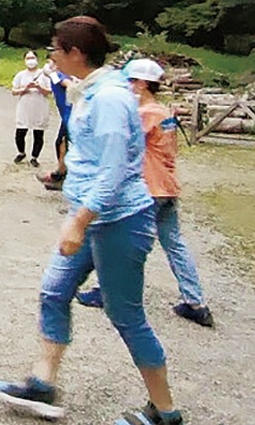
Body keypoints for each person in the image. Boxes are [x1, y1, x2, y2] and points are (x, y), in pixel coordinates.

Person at [0, 17, 184, 425]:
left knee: (125, 314)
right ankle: (43, 385)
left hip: (120, 220)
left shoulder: (110, 98)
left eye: (55, 49)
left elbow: (113, 171)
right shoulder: (93, 88)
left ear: (75, 53)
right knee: (54, 291)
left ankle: (165, 412)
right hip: (92, 214)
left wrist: (79, 221)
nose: (50, 56)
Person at [76, 58, 214, 329]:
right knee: (174, 244)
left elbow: (118, 141)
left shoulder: (145, 114)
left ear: (141, 84)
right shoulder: (164, 113)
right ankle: (196, 302)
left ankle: (107, 293)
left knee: (119, 241)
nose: (126, 86)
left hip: (147, 188)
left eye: (130, 81)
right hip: (167, 186)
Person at [38, 59, 76, 190]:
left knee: (65, 146)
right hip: (67, 116)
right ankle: (59, 174)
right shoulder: (60, 75)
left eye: (52, 62)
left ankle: (64, 176)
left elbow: (68, 84)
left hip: (72, 116)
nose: (49, 64)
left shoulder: (59, 74)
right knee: (61, 143)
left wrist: (51, 73)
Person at [11, 50, 51, 167]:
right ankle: (21, 152)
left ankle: (34, 157)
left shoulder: (44, 75)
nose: (30, 61)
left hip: (40, 106)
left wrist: (39, 87)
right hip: (24, 106)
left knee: (38, 133)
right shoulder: (20, 75)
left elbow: (49, 91)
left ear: (37, 59)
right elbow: (14, 91)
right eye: (28, 58)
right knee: (20, 132)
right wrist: (24, 89)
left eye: (32, 58)